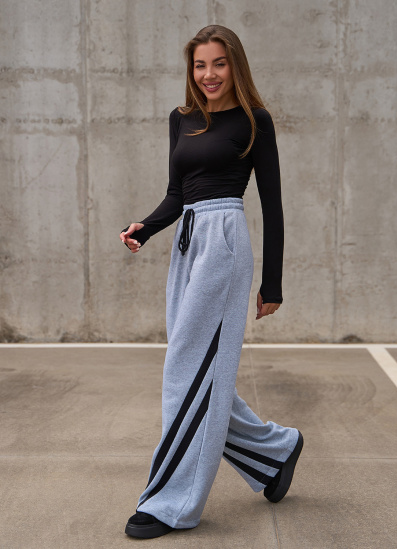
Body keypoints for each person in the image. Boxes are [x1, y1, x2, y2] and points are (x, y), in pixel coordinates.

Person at [119, 24, 303, 540]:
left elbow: (273, 204)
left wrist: (272, 284)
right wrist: (145, 228)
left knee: (185, 370)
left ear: (234, 65)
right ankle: (276, 451)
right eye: (200, 65)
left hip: (224, 243)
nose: (208, 74)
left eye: (218, 63)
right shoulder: (181, 119)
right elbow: (177, 193)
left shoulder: (254, 120)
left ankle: (171, 503)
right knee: (199, 370)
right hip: (187, 243)